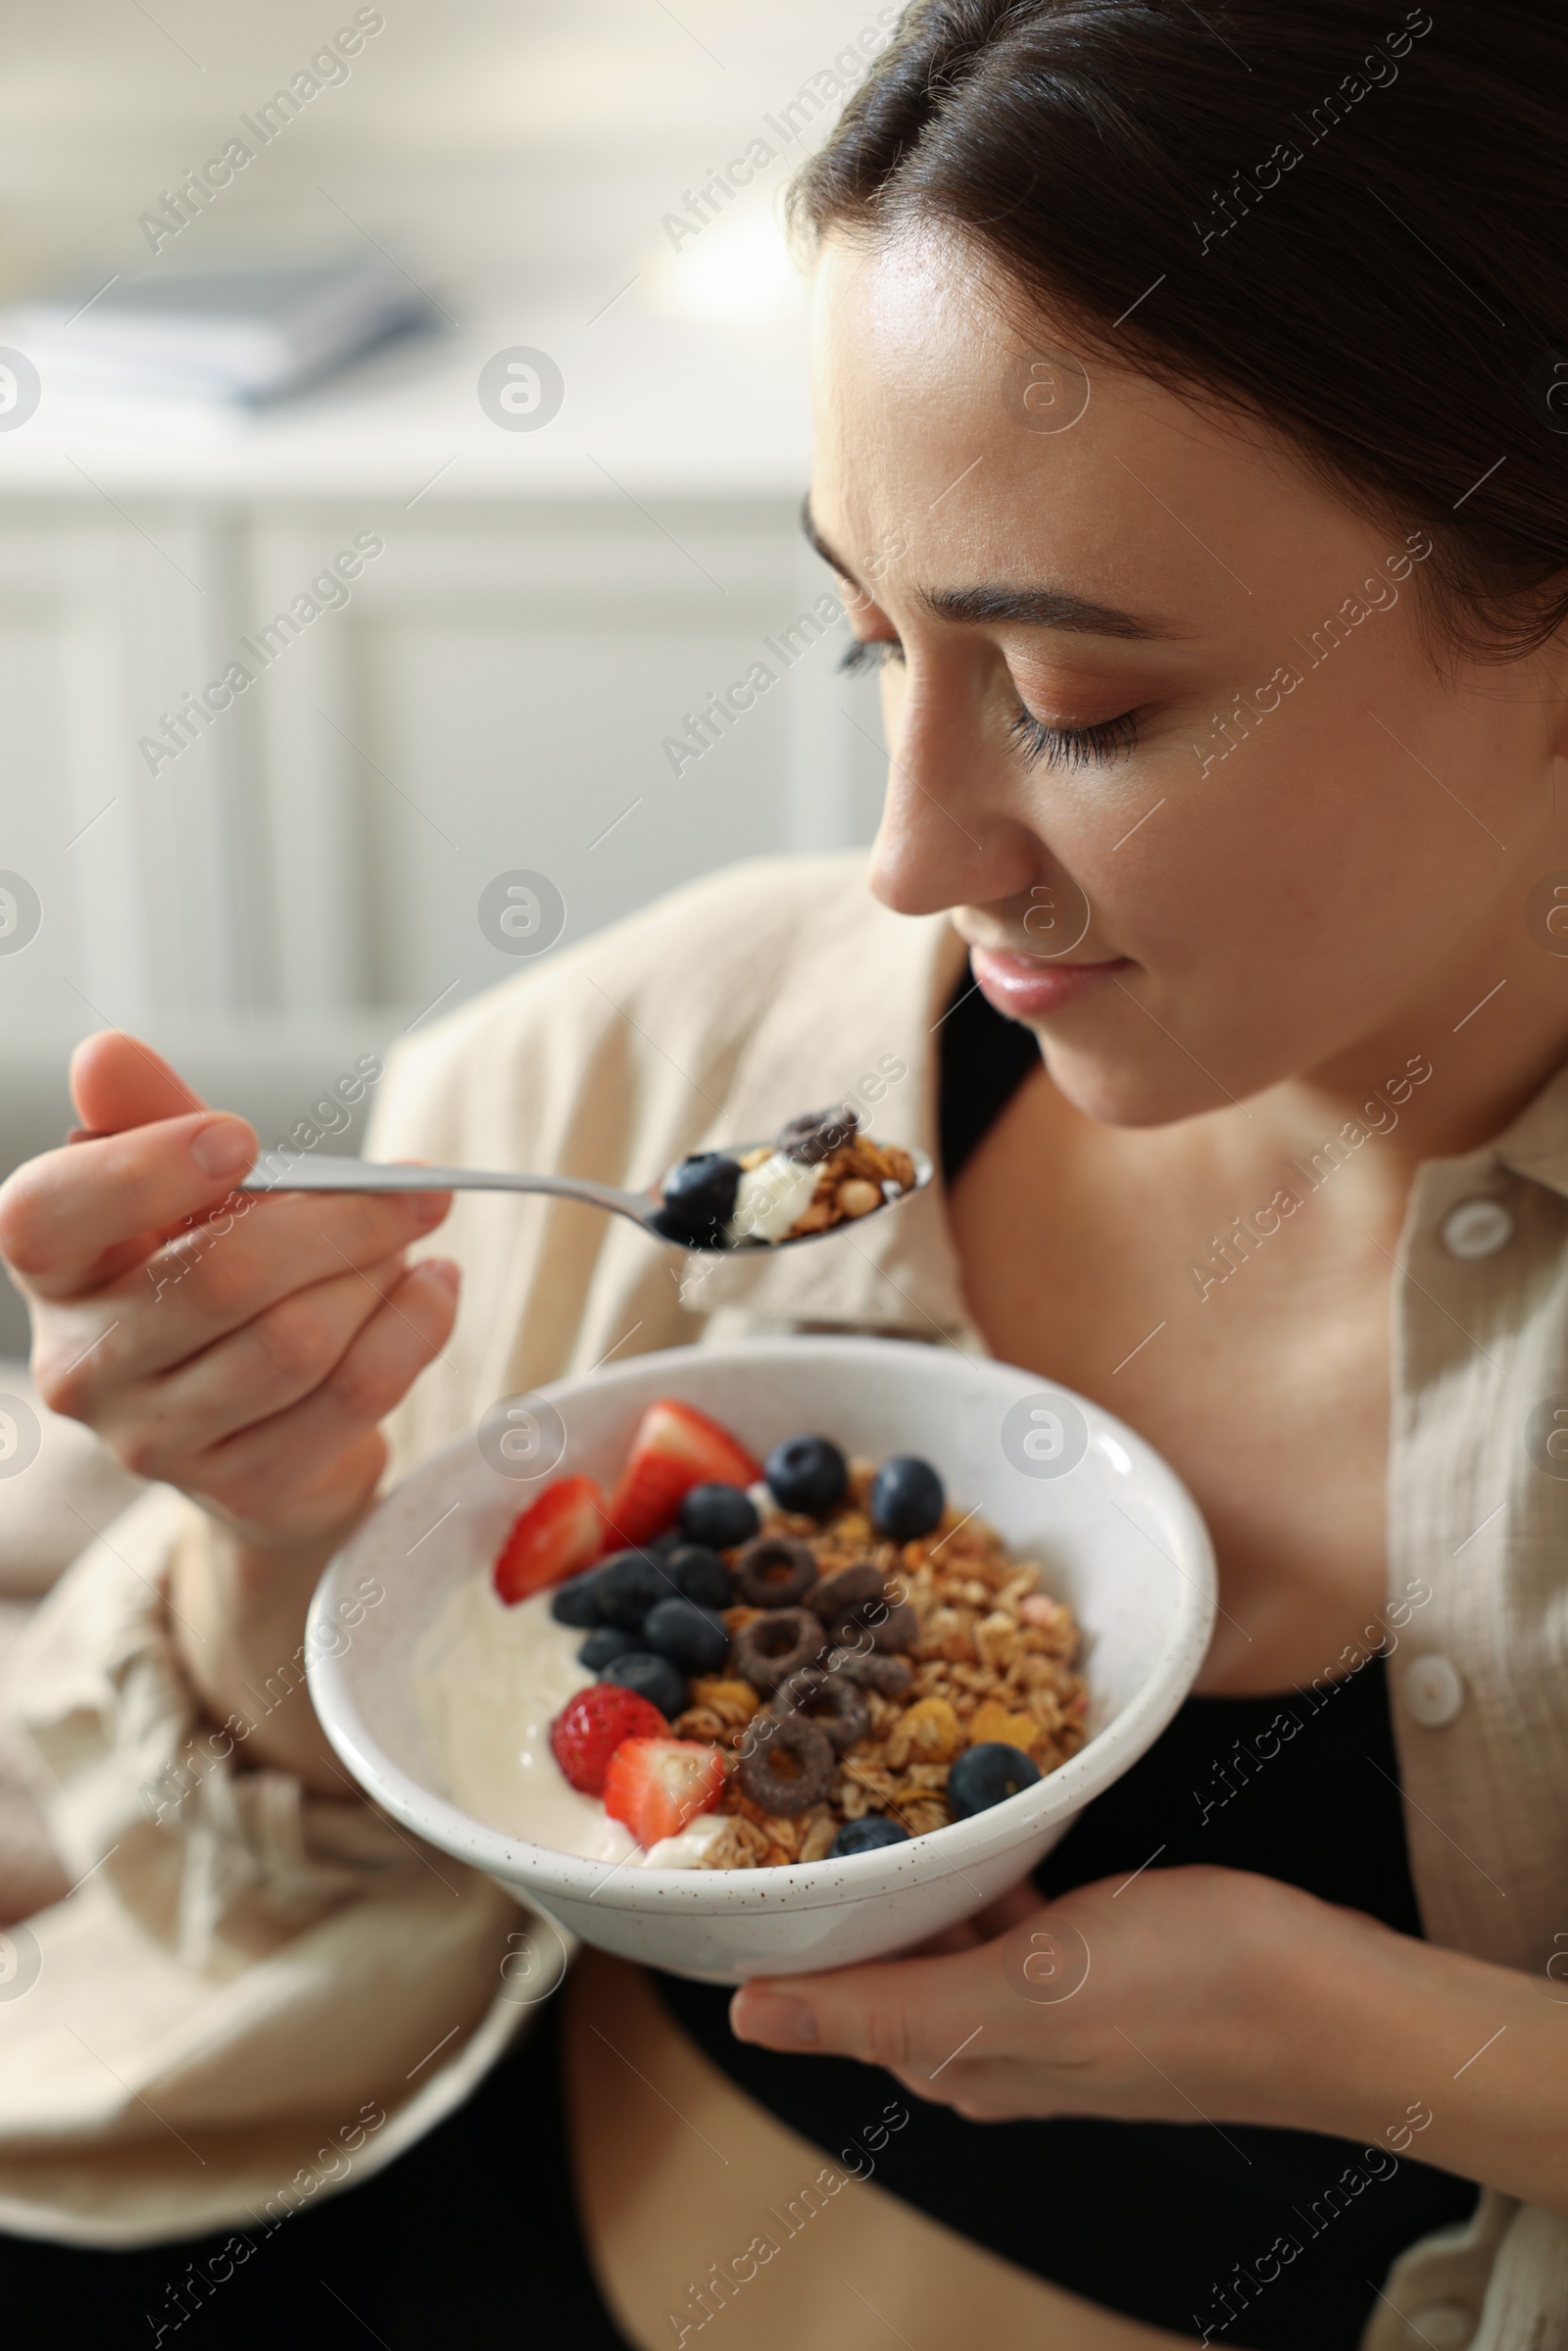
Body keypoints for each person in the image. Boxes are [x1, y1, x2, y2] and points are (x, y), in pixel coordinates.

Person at [1, 1, 1566, 2343]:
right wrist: (277, 1534)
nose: (911, 857)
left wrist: (1402, 2059)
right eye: (866, 645)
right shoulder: (680, 1065)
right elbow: (129, 1882)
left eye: (1079, 709)